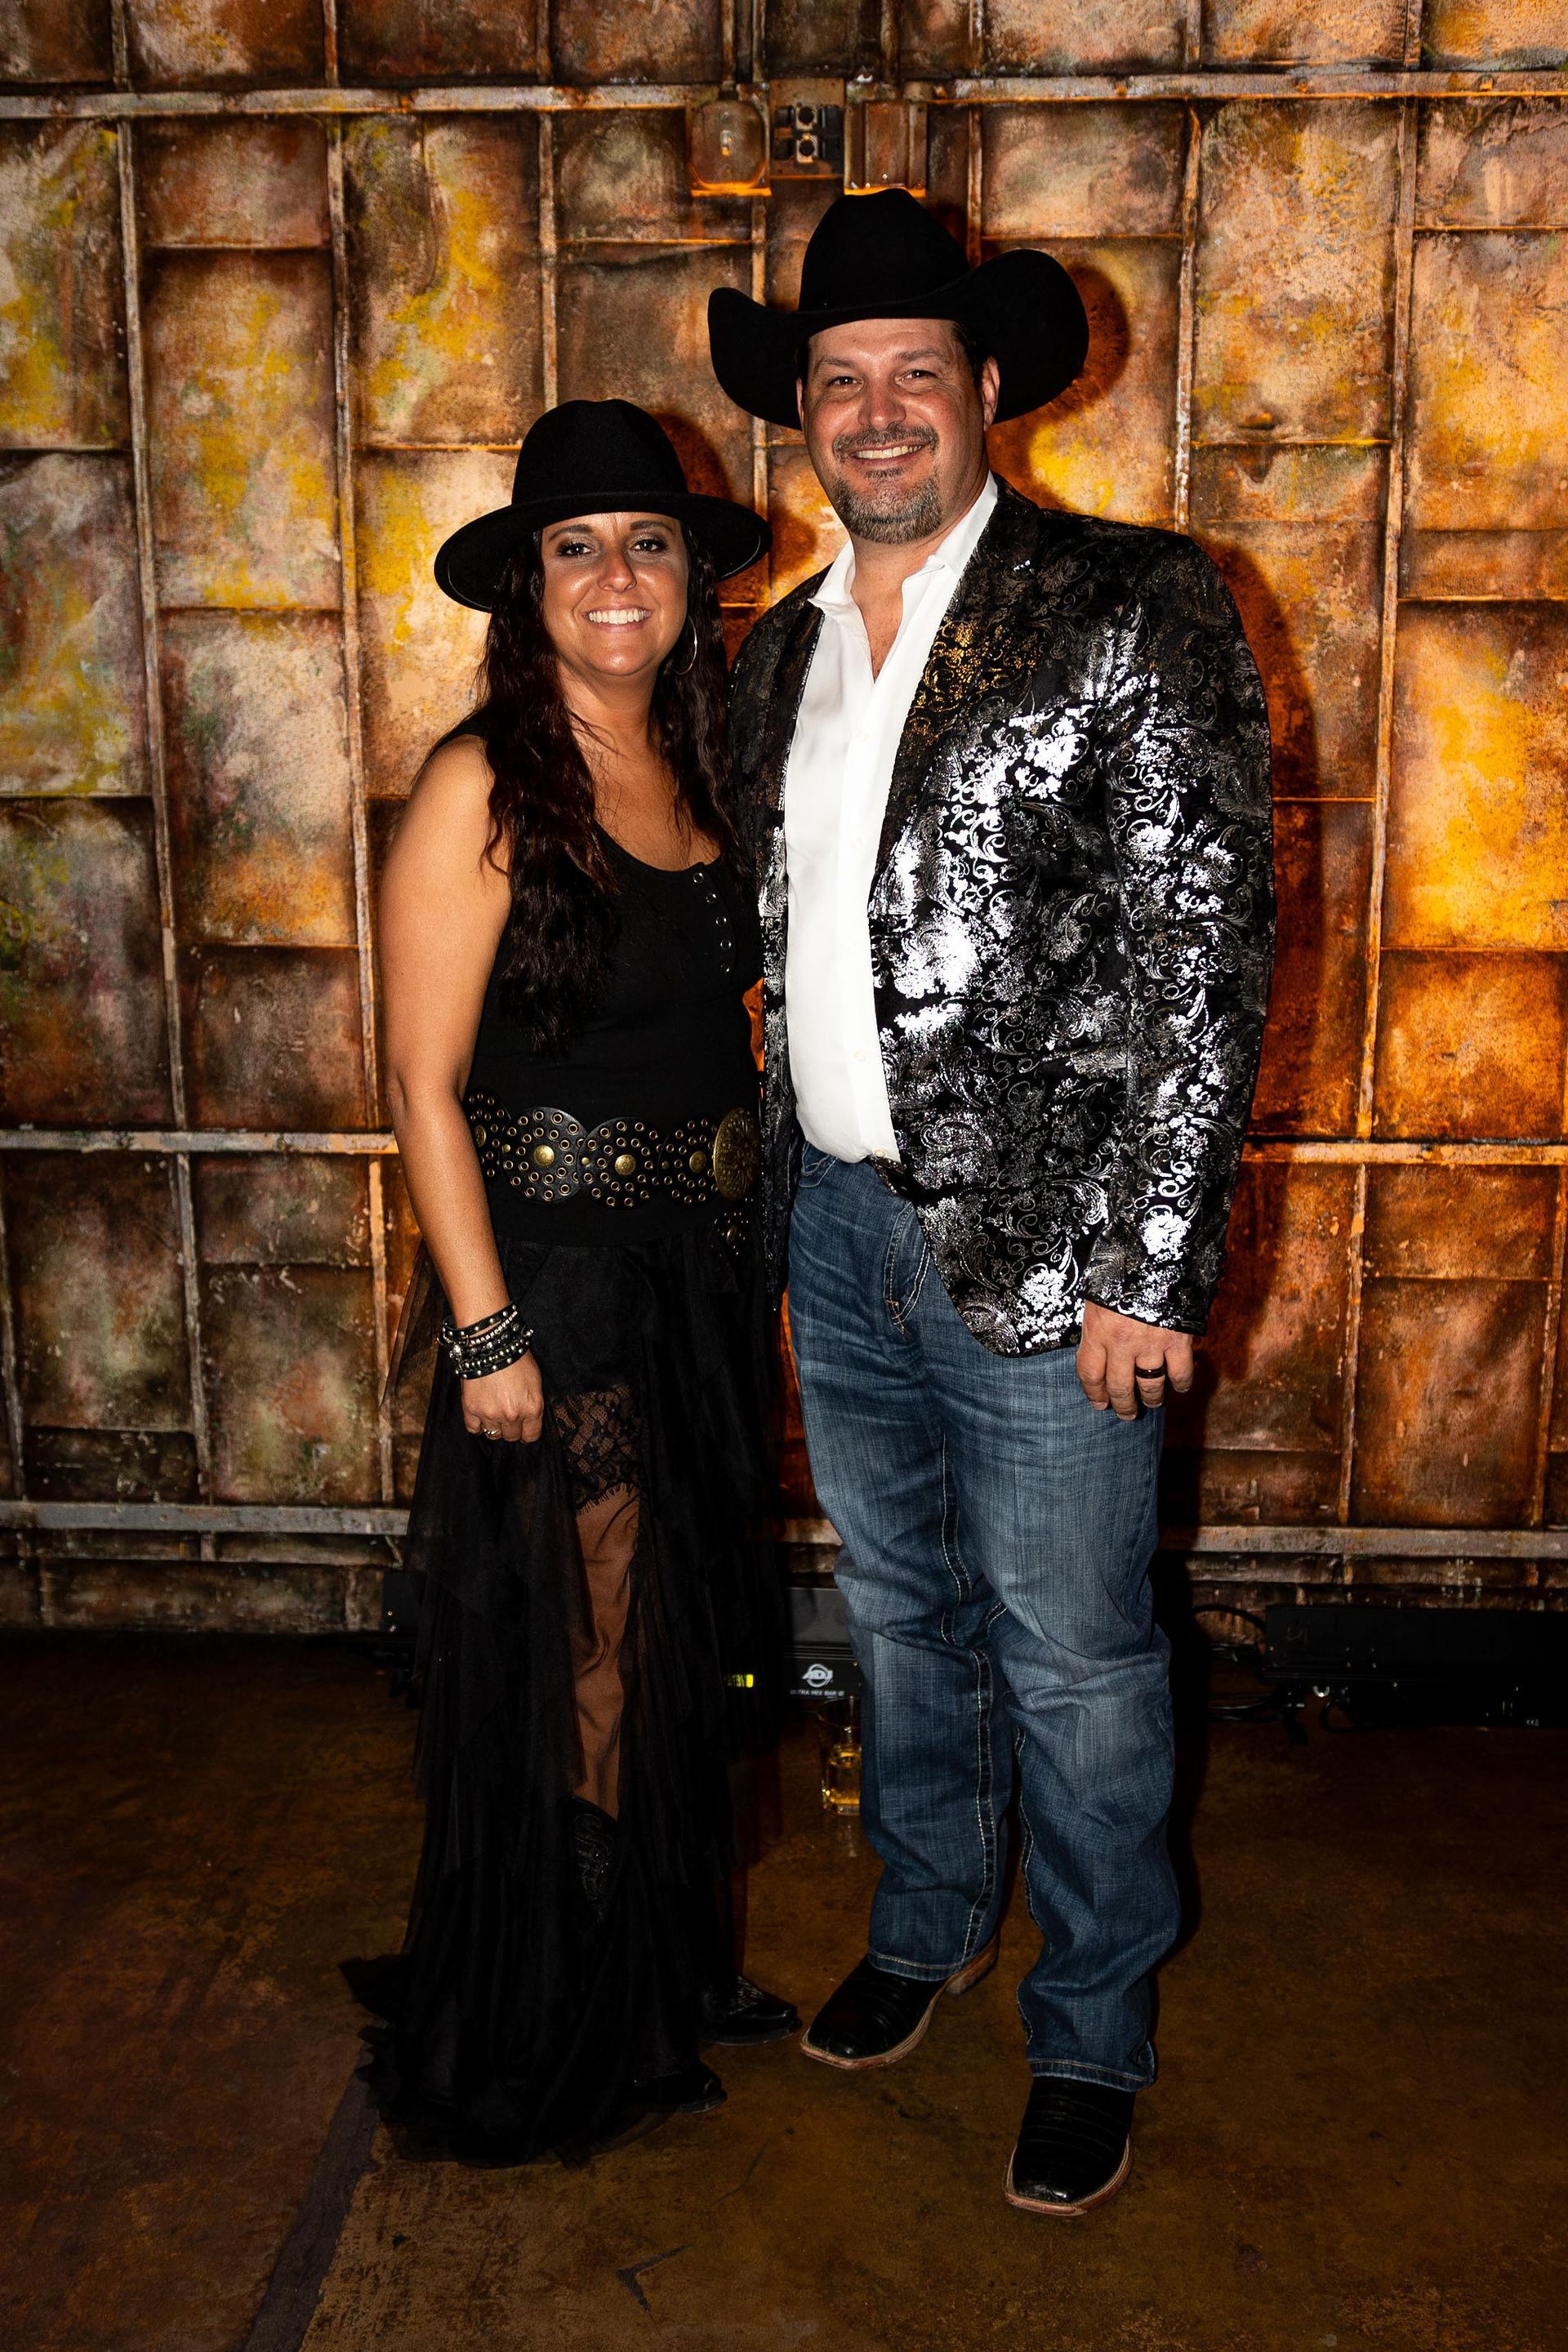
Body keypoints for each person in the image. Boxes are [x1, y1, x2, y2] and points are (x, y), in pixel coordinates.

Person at [710, 191, 1274, 2215]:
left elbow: (1205, 957)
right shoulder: (771, 657)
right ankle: (933, 1919)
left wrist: (1148, 1267)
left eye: (913, 378)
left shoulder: (1129, 600)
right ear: (806, 414)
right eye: (840, 382)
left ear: (987, 392)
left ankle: (1095, 2025)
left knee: (1079, 1654)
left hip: (1053, 1269)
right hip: (839, 1233)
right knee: (894, 1617)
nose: (876, 416)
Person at [359, 399, 796, 2165]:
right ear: (525, 588)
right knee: (593, 1655)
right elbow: (416, 1080)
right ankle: (561, 2004)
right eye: (575, 546)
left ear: (690, 577)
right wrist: (486, 1330)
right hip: (554, 1291)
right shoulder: (484, 781)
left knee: (671, 1639)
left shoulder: (698, 771)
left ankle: (654, 1960)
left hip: (692, 1281)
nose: (616, 576)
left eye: (647, 543)